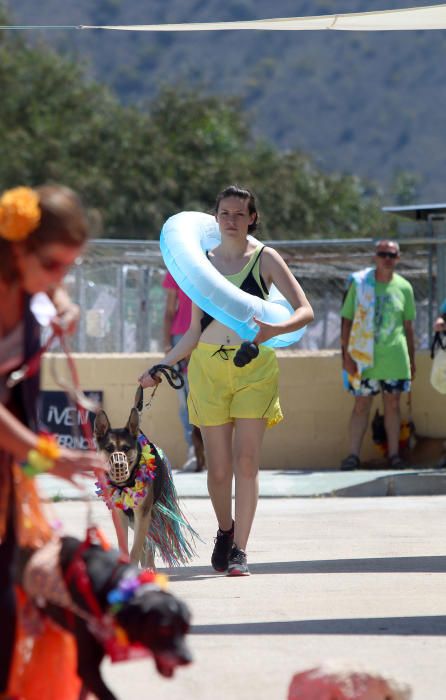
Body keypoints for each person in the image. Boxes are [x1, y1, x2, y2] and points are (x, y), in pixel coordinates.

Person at [139, 185, 313, 576]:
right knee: (218, 470)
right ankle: (225, 529)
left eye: (239, 213)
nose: (231, 220)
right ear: (214, 217)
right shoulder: (202, 264)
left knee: (247, 461)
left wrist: (274, 330)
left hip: (255, 367)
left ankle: (240, 551)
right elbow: (193, 332)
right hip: (208, 369)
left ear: (252, 218)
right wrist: (161, 366)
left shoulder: (266, 258)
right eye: (225, 213)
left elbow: (305, 312)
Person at [0, 185, 106, 695]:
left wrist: (62, 300)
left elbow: (50, 285)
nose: (59, 278)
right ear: (18, 249)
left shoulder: (29, 282)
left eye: (70, 267)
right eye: (53, 265)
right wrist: (51, 456)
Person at [340, 239, 416, 470]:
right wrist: (347, 356)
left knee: (393, 405)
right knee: (361, 405)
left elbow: (408, 327)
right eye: (383, 254)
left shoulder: (404, 287)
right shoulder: (362, 284)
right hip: (364, 358)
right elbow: (347, 321)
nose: (387, 259)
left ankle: (394, 455)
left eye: (392, 255)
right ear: (375, 256)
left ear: (398, 258)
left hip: (395, 358)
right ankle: (353, 455)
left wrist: (411, 361)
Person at [162, 270, 198, 471]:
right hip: (179, 338)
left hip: (207, 338)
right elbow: (169, 311)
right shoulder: (175, 270)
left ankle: (211, 449)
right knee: (184, 397)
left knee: (205, 395)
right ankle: (194, 449)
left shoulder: (213, 263)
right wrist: (167, 342)